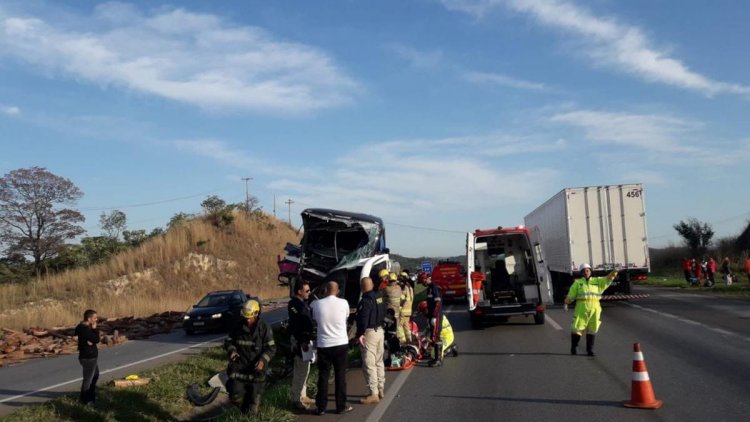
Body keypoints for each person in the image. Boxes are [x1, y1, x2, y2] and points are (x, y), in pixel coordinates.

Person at [224, 298, 276, 415]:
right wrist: (232, 351)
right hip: (239, 369)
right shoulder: (237, 326)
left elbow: (271, 348)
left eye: (250, 317)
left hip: (256, 372)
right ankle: (244, 412)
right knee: (235, 395)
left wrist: (262, 361)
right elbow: (228, 341)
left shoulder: (264, 328)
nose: (247, 320)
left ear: (256, 314)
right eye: (246, 317)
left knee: (253, 404)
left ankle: (251, 414)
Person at [310, 281, 352, 415]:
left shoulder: (317, 304)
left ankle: (321, 407)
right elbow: (346, 317)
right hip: (340, 343)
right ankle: (341, 406)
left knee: (323, 376)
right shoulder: (344, 303)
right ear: (338, 290)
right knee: (340, 376)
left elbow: (315, 319)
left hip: (324, 345)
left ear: (326, 290)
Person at [564, 263, 618, 356]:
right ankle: (574, 346)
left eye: (587, 270)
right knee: (576, 329)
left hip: (595, 309)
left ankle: (590, 350)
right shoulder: (578, 283)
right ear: (581, 273)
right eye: (584, 271)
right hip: (581, 309)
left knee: (592, 329)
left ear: (590, 271)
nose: (586, 272)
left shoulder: (598, 281)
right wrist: (566, 302)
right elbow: (571, 295)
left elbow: (608, 279)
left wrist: (615, 271)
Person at [355, 276, 386, 405]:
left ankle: (373, 393)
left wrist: (359, 334)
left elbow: (363, 319)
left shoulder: (365, 301)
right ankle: (380, 388)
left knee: (369, 363)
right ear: (372, 285)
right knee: (379, 361)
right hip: (380, 331)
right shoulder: (379, 297)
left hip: (369, 334)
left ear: (362, 288)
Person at [287, 280, 315, 410]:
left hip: (306, 339)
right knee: (300, 370)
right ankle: (295, 399)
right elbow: (298, 324)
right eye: (307, 291)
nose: (309, 293)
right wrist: (301, 342)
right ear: (299, 291)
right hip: (300, 341)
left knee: (306, 369)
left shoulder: (303, 303)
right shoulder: (294, 304)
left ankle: (303, 396)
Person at [417, 301, 458, 366]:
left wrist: (430, 342)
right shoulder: (431, 316)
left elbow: (434, 333)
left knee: (433, 354)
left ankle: (450, 349)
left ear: (426, 309)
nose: (422, 314)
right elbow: (428, 329)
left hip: (446, 337)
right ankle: (443, 350)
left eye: (422, 312)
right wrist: (422, 336)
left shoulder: (434, 318)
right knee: (429, 349)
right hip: (439, 337)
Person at [75, 309, 100, 407]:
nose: (96, 320)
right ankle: (85, 399)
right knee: (88, 379)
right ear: (89, 319)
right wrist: (94, 329)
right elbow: (96, 339)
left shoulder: (84, 327)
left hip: (91, 356)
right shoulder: (84, 329)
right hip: (88, 358)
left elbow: (92, 340)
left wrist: (91, 340)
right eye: (94, 318)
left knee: (95, 375)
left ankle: (91, 395)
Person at [418, 271, 443, 366]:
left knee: (435, 337)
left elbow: (438, 303)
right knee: (433, 336)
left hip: (436, 316)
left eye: (423, 281)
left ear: (427, 278)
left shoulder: (434, 287)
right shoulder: (429, 288)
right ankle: (435, 357)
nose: (422, 283)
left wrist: (434, 316)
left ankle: (438, 359)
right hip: (432, 316)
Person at [383, 272, 402, 341]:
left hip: (388, 314)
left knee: (387, 329)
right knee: (395, 330)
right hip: (396, 314)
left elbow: (380, 298)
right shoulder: (399, 288)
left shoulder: (386, 289)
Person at [398, 271, 414, 344]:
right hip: (409, 310)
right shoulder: (410, 286)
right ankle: (409, 340)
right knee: (406, 326)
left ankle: (403, 342)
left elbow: (402, 299)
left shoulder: (403, 287)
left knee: (399, 326)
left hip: (403, 310)